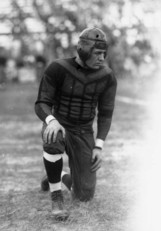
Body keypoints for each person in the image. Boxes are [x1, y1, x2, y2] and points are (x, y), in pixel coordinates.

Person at [34, 27, 117, 221]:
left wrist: (98, 146)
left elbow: (106, 114)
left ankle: (55, 174)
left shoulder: (107, 76)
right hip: (60, 124)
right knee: (52, 135)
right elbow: (41, 103)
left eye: (104, 53)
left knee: (84, 195)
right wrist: (52, 121)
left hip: (84, 131)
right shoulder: (58, 68)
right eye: (97, 53)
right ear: (83, 50)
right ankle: (56, 197)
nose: (102, 58)